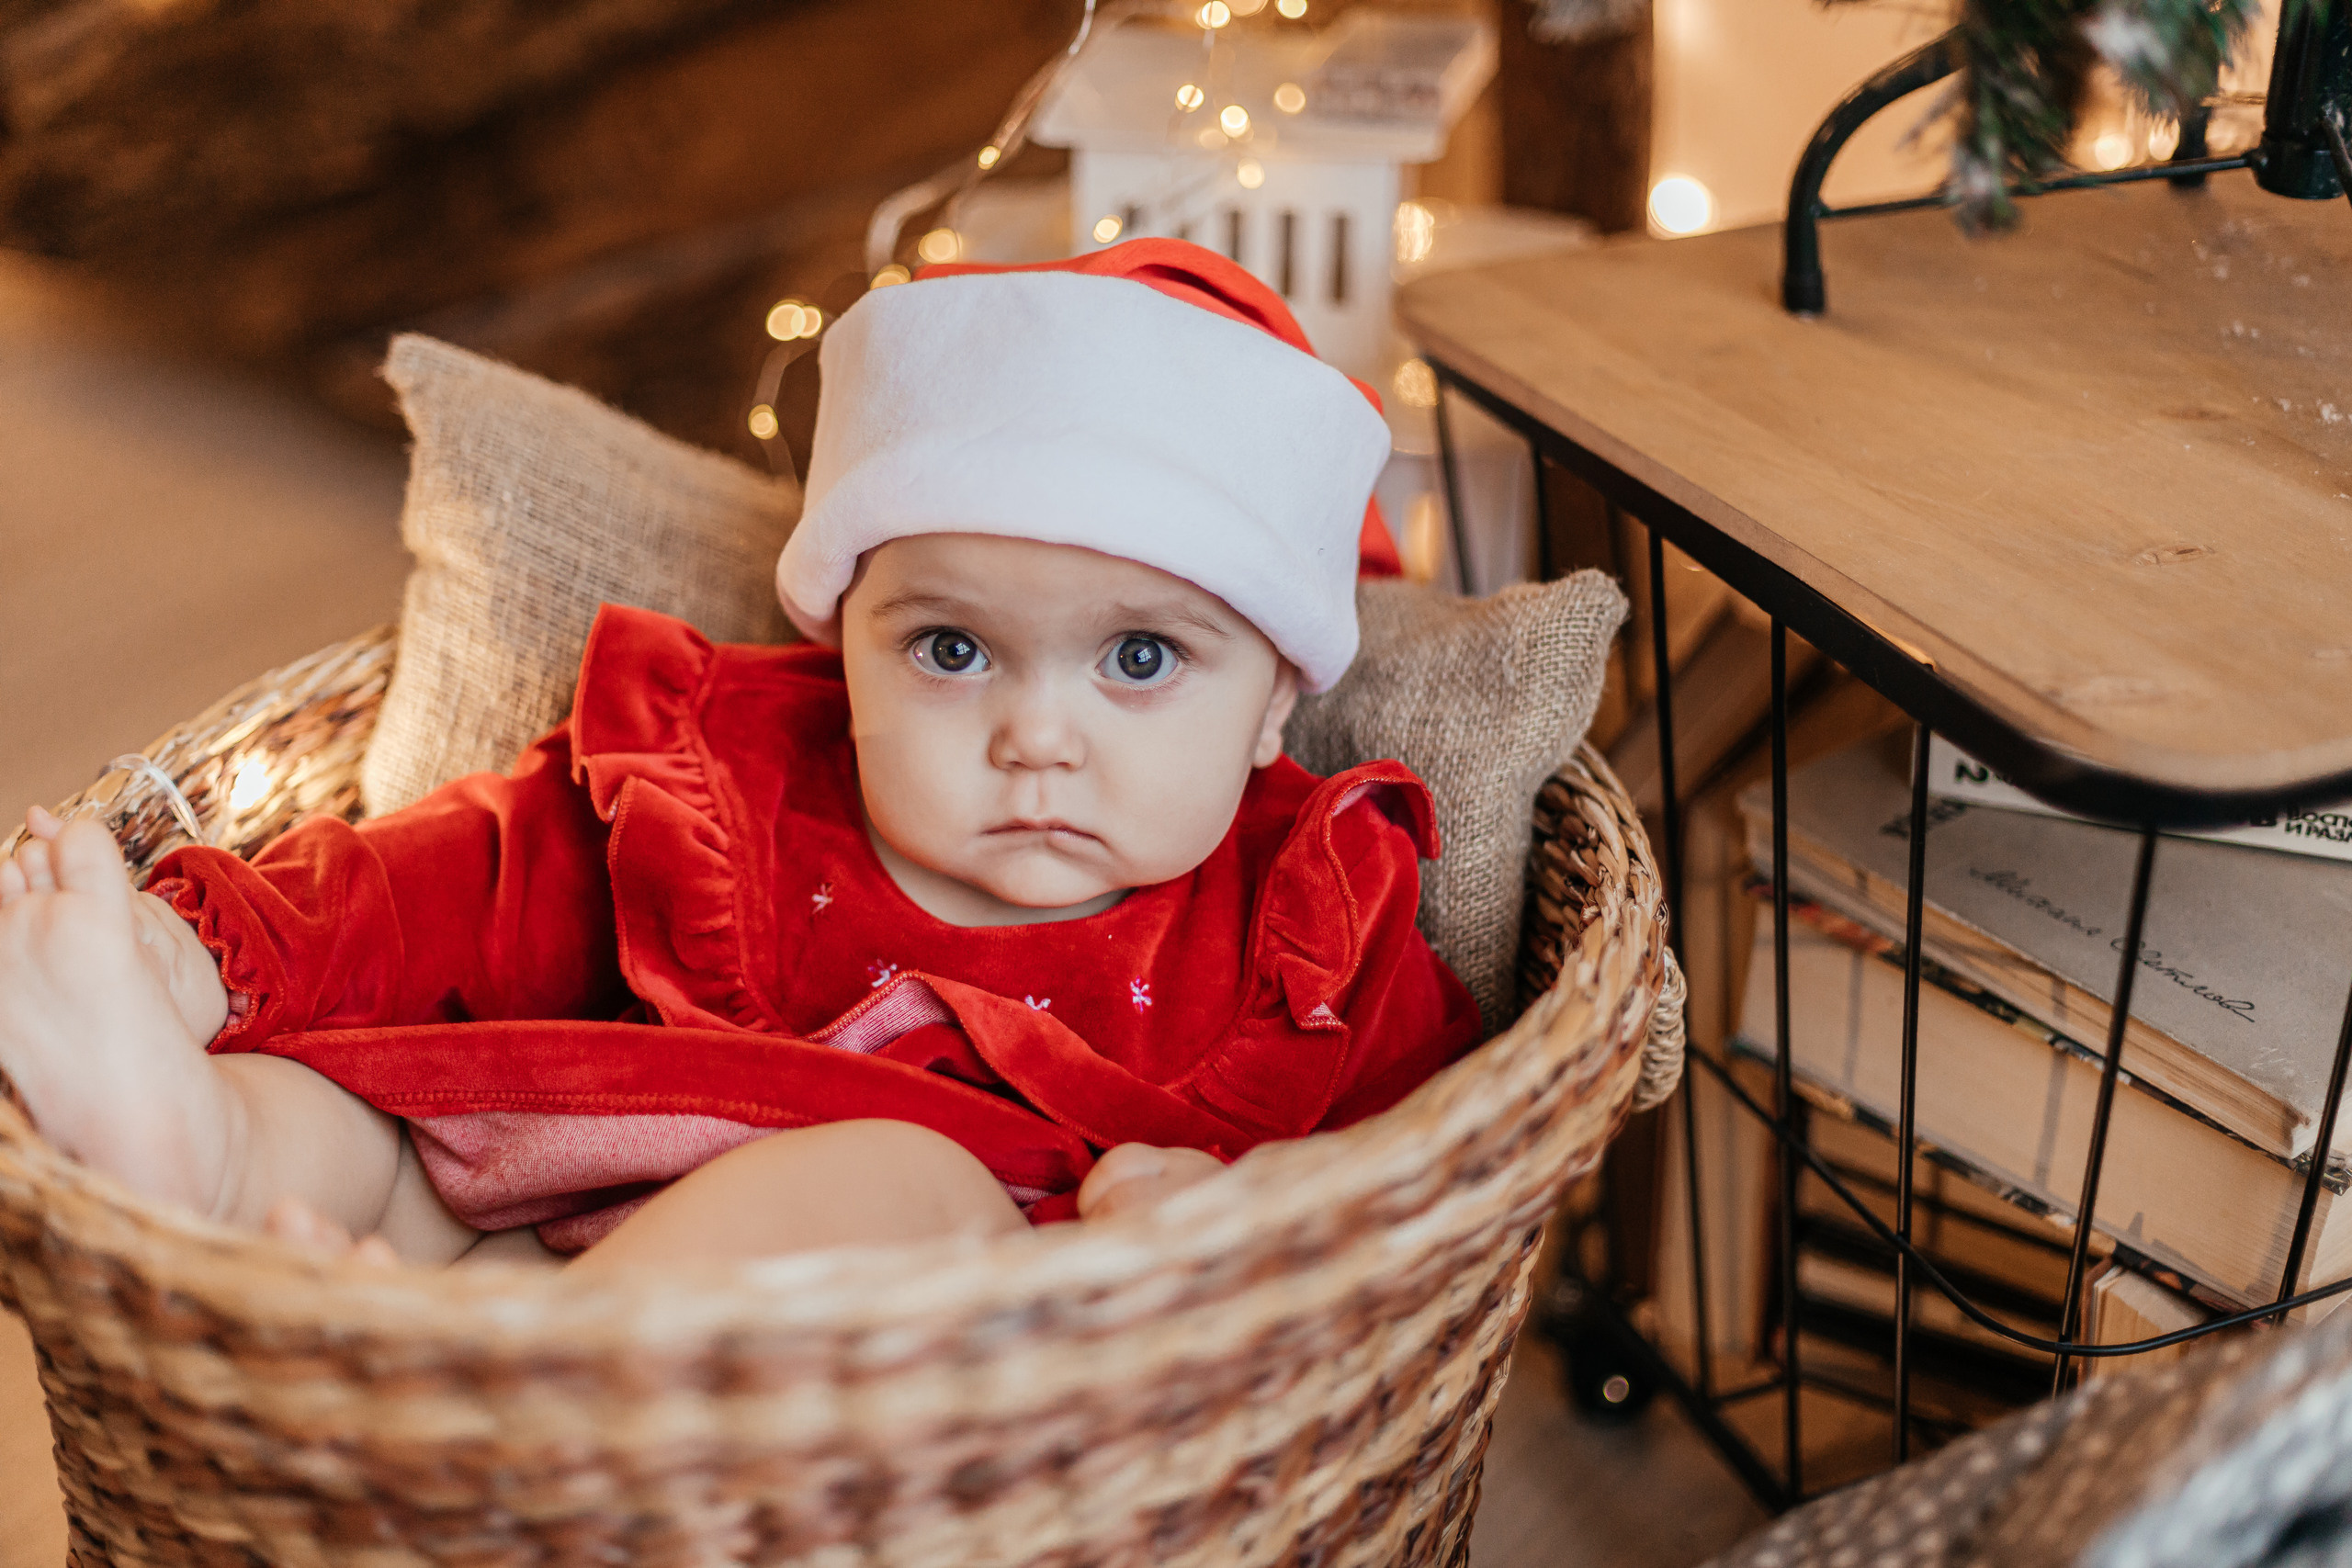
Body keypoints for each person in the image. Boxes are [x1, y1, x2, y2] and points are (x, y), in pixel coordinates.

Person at [0, 240, 1481, 1276]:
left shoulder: (1305, 923)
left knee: (902, 1174)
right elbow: (461, 879)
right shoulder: (733, 777)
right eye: (950, 649)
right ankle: (189, 1150)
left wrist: (1244, 1212)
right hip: (546, 1202)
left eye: (1140, 661)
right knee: (361, 1130)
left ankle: (508, 1377)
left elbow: (1434, 1160)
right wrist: (211, 959)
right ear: (847, 643)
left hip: (785, 1353)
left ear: (1274, 707)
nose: (1037, 735)